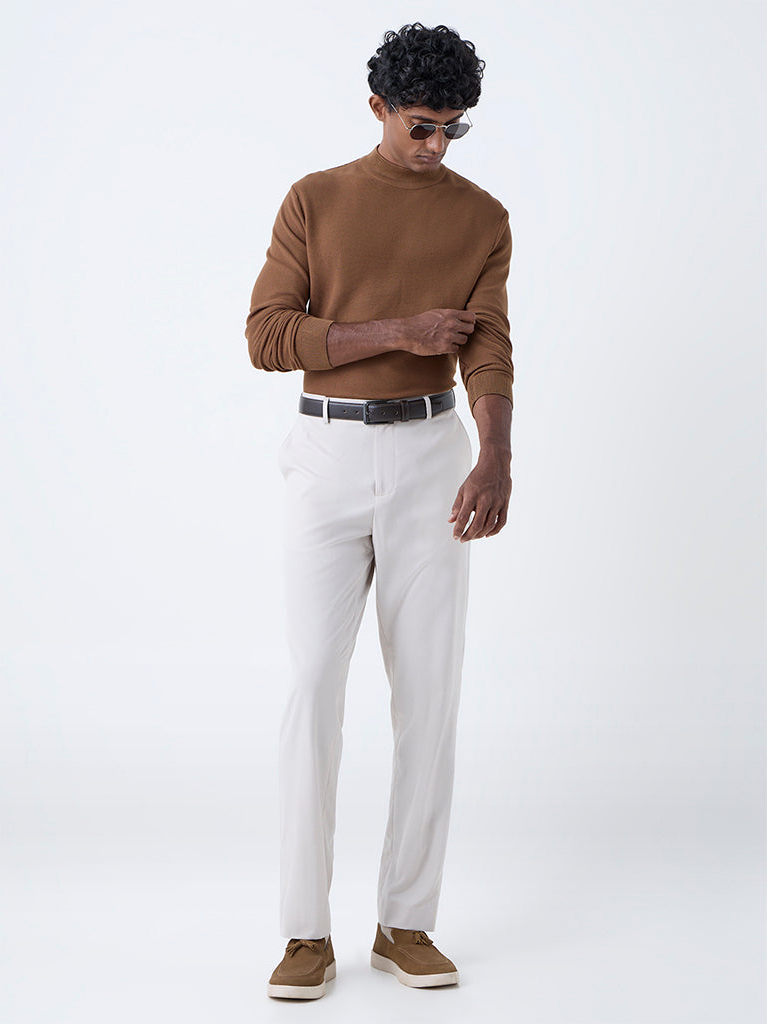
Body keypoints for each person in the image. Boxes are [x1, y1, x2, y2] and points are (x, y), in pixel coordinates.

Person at [244, 22, 514, 1000]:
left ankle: (406, 921)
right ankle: (304, 933)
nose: (436, 144)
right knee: (314, 685)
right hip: (326, 452)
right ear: (379, 108)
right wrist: (400, 329)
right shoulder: (315, 200)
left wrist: (496, 452)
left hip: (432, 453)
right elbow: (267, 336)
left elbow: (489, 344)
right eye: (420, 125)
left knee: (430, 692)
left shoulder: (482, 217)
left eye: (453, 127)